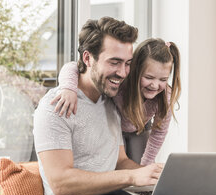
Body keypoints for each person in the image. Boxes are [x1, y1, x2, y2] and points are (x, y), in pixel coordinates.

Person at [34, 17, 216, 195]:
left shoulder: (109, 103)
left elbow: (120, 161)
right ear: (88, 58)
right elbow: (60, 183)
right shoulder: (56, 106)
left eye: (127, 63)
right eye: (115, 62)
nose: (123, 72)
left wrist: (153, 174)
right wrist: (131, 177)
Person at [51, 38, 181, 165]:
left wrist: (147, 164)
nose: (155, 85)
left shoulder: (165, 98)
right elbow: (72, 66)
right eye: (149, 77)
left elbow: (159, 133)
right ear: (135, 70)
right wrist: (68, 89)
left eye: (163, 80)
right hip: (113, 126)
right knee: (112, 163)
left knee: (138, 167)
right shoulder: (122, 80)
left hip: (139, 129)